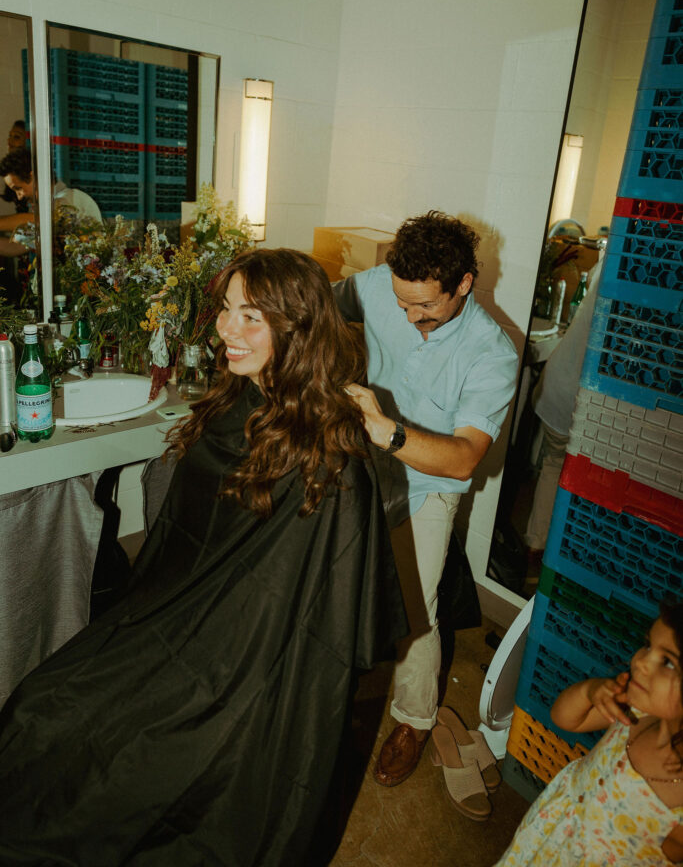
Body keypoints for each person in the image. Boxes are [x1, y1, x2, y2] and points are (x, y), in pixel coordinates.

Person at [0, 248, 407, 866]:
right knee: (40, 706)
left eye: (250, 317)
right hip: (175, 621)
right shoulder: (234, 400)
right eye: (224, 310)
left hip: (244, 664)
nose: (224, 329)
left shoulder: (330, 456)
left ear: (295, 328)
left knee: (93, 739)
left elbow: (316, 613)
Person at [333, 211, 519, 787]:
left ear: (464, 282)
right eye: (402, 302)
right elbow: (325, 305)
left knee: (417, 609)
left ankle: (414, 719)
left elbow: (465, 456)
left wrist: (386, 431)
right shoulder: (380, 286)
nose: (411, 317)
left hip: (430, 482)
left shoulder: (494, 354)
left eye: (427, 307)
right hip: (362, 459)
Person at [495, 600, 683, 865]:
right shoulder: (634, 711)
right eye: (648, 645)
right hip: (552, 831)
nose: (641, 661)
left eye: (668, 662)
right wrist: (590, 691)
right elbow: (564, 718)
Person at [524, 257, 603, 577]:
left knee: (553, 466)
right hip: (585, 394)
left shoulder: (604, 264)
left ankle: (535, 548)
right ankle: (561, 565)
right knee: (587, 484)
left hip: (560, 383)